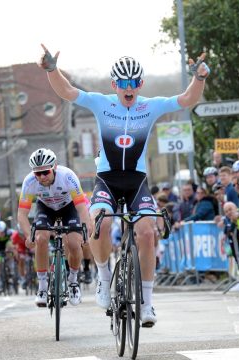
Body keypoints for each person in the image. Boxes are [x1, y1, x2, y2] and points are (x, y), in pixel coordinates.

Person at [39, 44, 209, 327]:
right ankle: (104, 278)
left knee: (145, 233)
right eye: (123, 83)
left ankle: (146, 302)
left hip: (136, 181)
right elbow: (67, 92)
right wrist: (51, 70)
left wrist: (199, 78)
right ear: (114, 84)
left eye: (133, 83)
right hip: (107, 178)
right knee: (99, 223)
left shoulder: (150, 106)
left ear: (140, 84)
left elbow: (187, 99)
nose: (128, 89)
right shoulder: (101, 103)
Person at [18, 148, 91, 307]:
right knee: (40, 238)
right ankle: (42, 286)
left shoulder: (68, 176)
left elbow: (82, 209)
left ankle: (73, 281)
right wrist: (27, 235)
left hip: (69, 208)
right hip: (45, 208)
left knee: (73, 243)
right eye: (38, 173)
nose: (42, 177)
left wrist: (86, 232)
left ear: (54, 167)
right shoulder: (29, 182)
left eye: (45, 172)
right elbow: (22, 214)